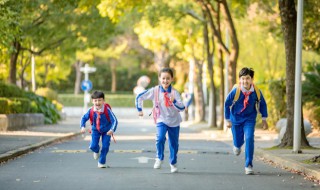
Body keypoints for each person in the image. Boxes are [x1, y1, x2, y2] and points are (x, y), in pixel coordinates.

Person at [135, 68, 185, 173]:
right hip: (161, 119)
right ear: (159, 78)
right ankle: (159, 157)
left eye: (168, 78)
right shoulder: (155, 90)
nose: (165, 81)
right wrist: (140, 109)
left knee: (174, 144)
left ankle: (173, 163)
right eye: (163, 78)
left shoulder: (175, 93)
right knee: (160, 138)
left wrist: (174, 101)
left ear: (172, 79)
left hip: (174, 121)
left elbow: (182, 108)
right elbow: (139, 97)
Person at [224, 67, 268, 175]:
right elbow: (226, 104)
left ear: (252, 79)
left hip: (249, 118)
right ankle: (237, 145)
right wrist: (228, 120)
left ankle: (248, 165)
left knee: (249, 138)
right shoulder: (236, 91)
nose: (245, 81)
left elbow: (263, 104)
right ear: (240, 79)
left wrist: (264, 119)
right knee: (238, 141)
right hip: (236, 119)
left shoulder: (256, 91)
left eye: (247, 78)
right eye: (242, 78)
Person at [80, 90, 118, 168]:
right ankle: (96, 150)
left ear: (103, 101)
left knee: (105, 146)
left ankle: (101, 162)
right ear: (92, 101)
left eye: (99, 100)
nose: (97, 102)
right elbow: (83, 118)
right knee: (93, 146)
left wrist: (112, 130)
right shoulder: (91, 110)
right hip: (95, 130)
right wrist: (82, 127)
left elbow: (115, 120)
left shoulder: (107, 110)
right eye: (95, 100)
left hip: (107, 131)